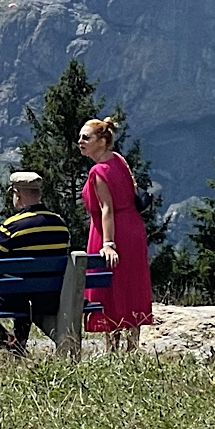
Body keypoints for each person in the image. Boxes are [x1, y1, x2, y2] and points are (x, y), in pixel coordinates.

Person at [0, 171, 72, 354]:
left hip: (15, 300)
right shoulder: (59, 224)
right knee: (26, 288)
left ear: (17, 194)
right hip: (48, 298)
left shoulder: (12, 226)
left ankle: (4, 341)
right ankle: (18, 343)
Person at [79, 118, 153, 350]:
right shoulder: (118, 160)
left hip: (110, 230)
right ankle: (132, 345)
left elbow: (106, 208)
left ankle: (112, 345)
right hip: (133, 228)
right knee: (132, 284)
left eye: (86, 138)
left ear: (101, 141)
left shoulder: (98, 171)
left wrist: (108, 243)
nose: (80, 141)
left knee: (109, 287)